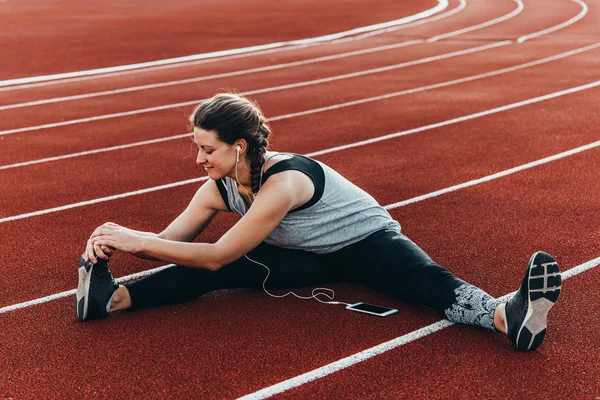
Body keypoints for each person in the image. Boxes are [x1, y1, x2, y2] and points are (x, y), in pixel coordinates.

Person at [76, 93, 561, 352]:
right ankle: (112, 299)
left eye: (208, 149)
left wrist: (135, 239)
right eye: (197, 146)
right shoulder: (216, 188)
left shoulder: (284, 181)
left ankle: (507, 315)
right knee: (208, 275)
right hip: (300, 254)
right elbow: (171, 243)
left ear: (238, 146)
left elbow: (218, 250)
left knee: (425, 282)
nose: (198, 158)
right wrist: (114, 245)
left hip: (365, 242)